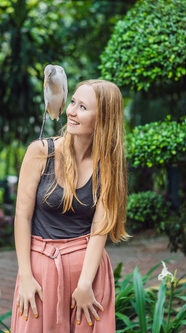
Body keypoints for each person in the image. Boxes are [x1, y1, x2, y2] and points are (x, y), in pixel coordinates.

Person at [11, 79, 128, 333]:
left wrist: (86, 284)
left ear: (103, 119)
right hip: (39, 270)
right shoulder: (41, 152)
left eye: (82, 107)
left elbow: (100, 227)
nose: (71, 111)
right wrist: (26, 277)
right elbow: (22, 216)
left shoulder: (106, 166)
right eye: (73, 102)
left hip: (87, 273)